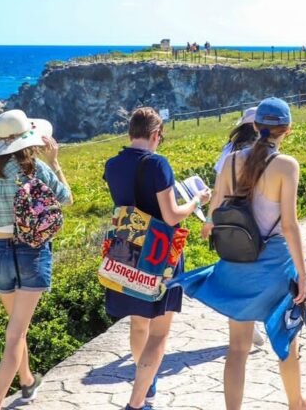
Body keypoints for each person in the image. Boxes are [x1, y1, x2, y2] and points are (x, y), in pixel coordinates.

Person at [172, 98, 306, 410]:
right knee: (287, 340)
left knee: (238, 348)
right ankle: (297, 403)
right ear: (288, 130)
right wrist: (304, 277)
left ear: (255, 126)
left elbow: (214, 212)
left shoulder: (229, 162)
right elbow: (291, 226)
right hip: (275, 267)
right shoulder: (286, 165)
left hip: (237, 263)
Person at [103, 107, 212, 410]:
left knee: (139, 324)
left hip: (126, 252)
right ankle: (137, 403)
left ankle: (147, 387)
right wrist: (195, 201)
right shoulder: (157, 164)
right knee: (159, 333)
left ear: (130, 133)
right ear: (155, 134)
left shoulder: (112, 164)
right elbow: (170, 215)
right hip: (159, 254)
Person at [0, 109, 73, 410]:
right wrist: (55, 163)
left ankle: (27, 381)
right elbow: (66, 198)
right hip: (31, 251)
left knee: (18, 328)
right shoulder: (33, 168)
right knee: (15, 333)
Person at [213, 107, 268, 348]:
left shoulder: (229, 151)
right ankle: (252, 321)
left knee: (237, 272)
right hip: (258, 216)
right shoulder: (264, 150)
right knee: (257, 271)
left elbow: (219, 187)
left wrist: (211, 219)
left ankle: (244, 322)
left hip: (231, 217)